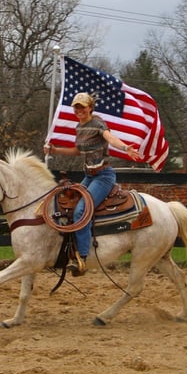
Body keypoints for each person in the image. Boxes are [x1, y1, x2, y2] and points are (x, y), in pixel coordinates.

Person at [43, 92, 141, 276]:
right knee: (70, 205)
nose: (79, 110)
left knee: (81, 210)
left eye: (82, 107)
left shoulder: (97, 124)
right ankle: (69, 248)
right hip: (89, 176)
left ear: (90, 107)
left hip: (103, 176)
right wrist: (55, 150)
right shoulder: (80, 127)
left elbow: (110, 138)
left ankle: (83, 258)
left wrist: (125, 148)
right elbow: (77, 151)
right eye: (76, 107)